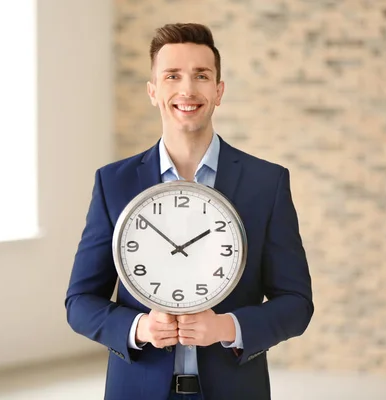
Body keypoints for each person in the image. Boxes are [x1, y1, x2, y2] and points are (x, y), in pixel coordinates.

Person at [65, 22, 313, 400]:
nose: (187, 89)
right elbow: (79, 302)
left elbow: (296, 304)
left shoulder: (268, 183)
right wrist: (139, 328)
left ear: (219, 91)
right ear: (153, 91)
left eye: (201, 75)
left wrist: (227, 327)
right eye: (172, 76)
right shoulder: (113, 183)